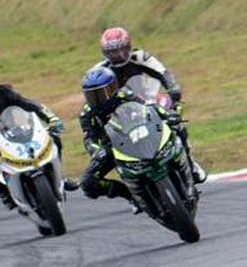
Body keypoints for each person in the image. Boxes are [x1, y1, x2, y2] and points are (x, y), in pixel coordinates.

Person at [96, 27, 204, 182]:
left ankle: (190, 163)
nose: (117, 56)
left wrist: (173, 88)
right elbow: (95, 96)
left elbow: (163, 72)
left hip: (150, 99)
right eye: (112, 52)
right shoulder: (102, 70)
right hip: (123, 112)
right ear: (105, 53)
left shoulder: (140, 56)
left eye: (121, 50)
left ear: (128, 47)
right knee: (113, 144)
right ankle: (133, 185)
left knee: (176, 123)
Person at [76, 65, 192, 206]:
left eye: (102, 93)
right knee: (88, 184)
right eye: (92, 95)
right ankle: (129, 195)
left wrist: (166, 115)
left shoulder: (124, 95)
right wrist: (96, 151)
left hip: (140, 132)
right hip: (113, 147)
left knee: (176, 127)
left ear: (113, 87)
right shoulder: (86, 113)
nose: (97, 99)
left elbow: (148, 108)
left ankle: (190, 168)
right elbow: (89, 138)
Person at [0, 64, 68, 207]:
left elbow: (28, 104)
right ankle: (6, 193)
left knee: (54, 140)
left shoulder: (4, 92)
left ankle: (60, 179)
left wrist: (51, 118)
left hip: (15, 132)